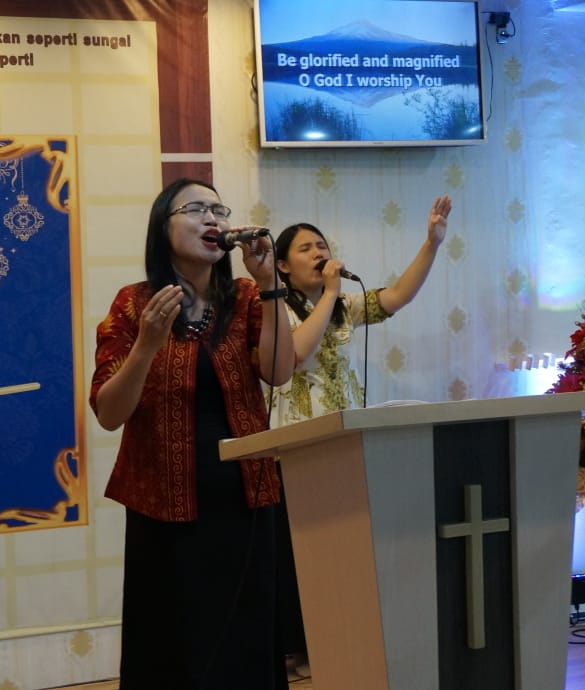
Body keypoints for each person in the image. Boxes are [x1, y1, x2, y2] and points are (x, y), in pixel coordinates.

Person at [90, 178, 296, 689]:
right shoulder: (135, 304)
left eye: (219, 211)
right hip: (163, 506)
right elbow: (109, 413)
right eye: (196, 209)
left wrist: (271, 284)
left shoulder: (245, 297)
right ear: (163, 227)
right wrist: (146, 345)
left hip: (246, 498)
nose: (213, 219)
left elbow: (279, 372)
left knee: (245, 638)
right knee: (173, 644)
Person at [265, 194, 453, 678]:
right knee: (298, 553)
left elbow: (397, 296)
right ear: (282, 266)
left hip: (344, 442)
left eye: (322, 245)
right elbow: (296, 355)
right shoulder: (274, 310)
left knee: (342, 549)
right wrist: (329, 294)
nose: (319, 253)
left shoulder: (343, 306)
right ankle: (294, 649)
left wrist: (431, 244)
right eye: (306, 248)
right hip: (294, 448)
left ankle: (337, 641)